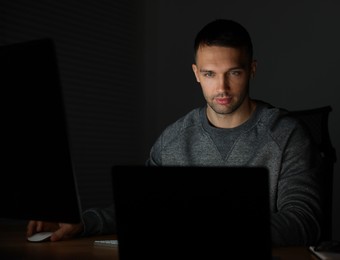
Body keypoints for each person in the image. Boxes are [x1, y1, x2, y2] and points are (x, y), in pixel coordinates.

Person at [26, 19, 323, 246]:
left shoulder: (286, 135)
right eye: (209, 74)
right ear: (196, 73)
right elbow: (139, 209)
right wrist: (83, 223)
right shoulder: (173, 141)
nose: (222, 88)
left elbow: (303, 221)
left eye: (234, 72)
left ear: (252, 70)